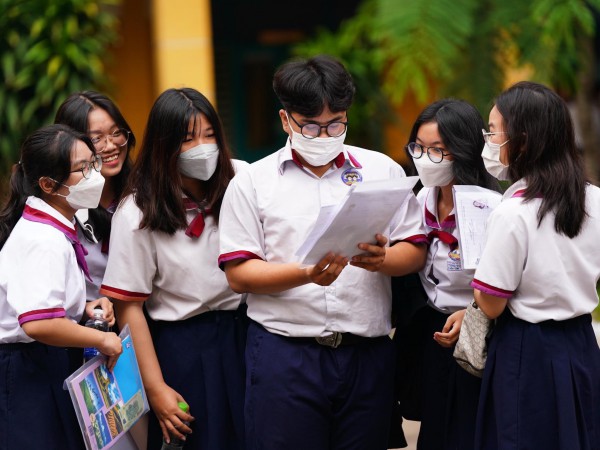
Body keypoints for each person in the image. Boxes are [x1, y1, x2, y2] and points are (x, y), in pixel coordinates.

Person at [217, 54, 428, 450]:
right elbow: (239, 273)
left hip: (366, 354)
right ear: (286, 120)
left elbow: (414, 250)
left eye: (336, 124)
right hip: (286, 355)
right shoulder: (253, 183)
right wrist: (306, 274)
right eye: (311, 125)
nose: (325, 134)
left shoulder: (382, 170)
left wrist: (383, 260)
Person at [99, 87, 248, 450]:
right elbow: (129, 307)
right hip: (183, 349)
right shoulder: (137, 211)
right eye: (188, 139)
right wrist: (156, 388)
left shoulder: (242, 180)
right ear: (164, 146)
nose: (203, 148)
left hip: (246, 335)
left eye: (209, 135)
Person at [472, 81, 600, 449]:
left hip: (527, 352)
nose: (489, 142)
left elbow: (491, 303)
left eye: (494, 132)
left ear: (523, 142)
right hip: (581, 343)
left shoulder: (514, 212)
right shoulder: (594, 198)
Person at [0, 124, 123, 449]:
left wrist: (83, 308)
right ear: (48, 184)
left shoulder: (55, 226)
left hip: (44, 360)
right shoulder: (43, 240)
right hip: (29, 369)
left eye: (93, 163)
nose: (95, 174)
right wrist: (102, 339)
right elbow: (38, 323)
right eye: (83, 169)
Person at [400, 99, 500, 449]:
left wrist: (473, 314)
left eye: (438, 151)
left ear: (463, 150)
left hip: (478, 331)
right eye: (418, 148)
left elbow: (504, 283)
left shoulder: (490, 207)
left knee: (469, 432)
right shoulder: (420, 199)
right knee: (434, 430)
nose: (425, 159)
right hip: (431, 332)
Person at [54, 90, 136, 302]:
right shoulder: (62, 207)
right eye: (96, 138)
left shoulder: (143, 194)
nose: (110, 146)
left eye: (116, 133)